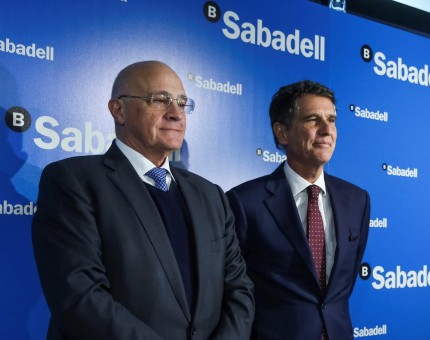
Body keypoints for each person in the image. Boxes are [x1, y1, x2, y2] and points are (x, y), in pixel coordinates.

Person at [32, 61, 254, 339]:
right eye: (160, 100)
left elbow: (238, 289)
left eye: (182, 103)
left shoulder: (211, 195)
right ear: (119, 110)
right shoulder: (72, 181)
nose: (176, 113)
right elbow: (80, 297)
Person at [227, 80, 370, 339]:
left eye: (332, 119)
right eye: (313, 119)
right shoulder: (244, 202)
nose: (327, 130)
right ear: (282, 133)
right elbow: (232, 290)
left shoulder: (357, 200)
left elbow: (343, 286)